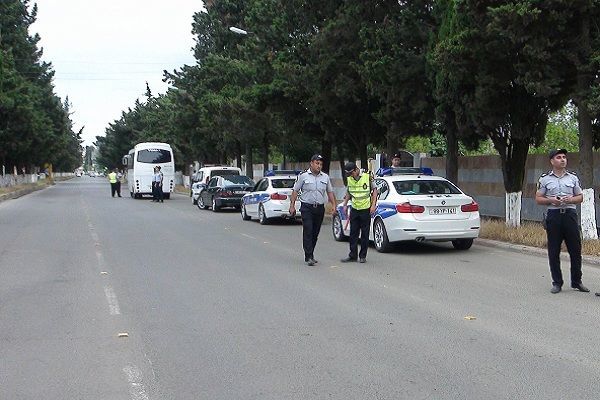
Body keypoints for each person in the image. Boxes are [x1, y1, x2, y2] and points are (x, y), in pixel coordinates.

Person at [535, 149, 589, 294]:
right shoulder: (545, 179)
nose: (562, 159)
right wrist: (551, 200)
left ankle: (577, 281)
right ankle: (557, 283)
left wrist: (571, 199)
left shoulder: (573, 178)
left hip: (570, 215)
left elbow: (580, 197)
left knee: (575, 250)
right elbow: (538, 198)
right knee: (554, 251)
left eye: (564, 157)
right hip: (554, 216)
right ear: (552, 161)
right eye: (558, 157)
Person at [289, 154, 337, 266]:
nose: (319, 166)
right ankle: (308, 256)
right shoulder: (303, 176)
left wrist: (334, 205)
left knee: (315, 233)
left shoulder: (325, 177)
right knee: (308, 230)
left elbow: (330, 192)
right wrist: (292, 205)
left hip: (319, 208)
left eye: (321, 164)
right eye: (317, 163)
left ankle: (311, 253)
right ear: (311, 163)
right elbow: (295, 191)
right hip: (307, 207)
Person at [340, 162, 378, 263]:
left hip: (365, 209)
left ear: (356, 169)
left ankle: (362, 256)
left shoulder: (367, 176)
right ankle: (352, 255)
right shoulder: (350, 178)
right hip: (354, 209)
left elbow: (375, 190)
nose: (351, 175)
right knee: (353, 233)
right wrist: (345, 204)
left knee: (365, 234)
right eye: (349, 174)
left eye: (352, 173)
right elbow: (349, 191)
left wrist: (373, 205)